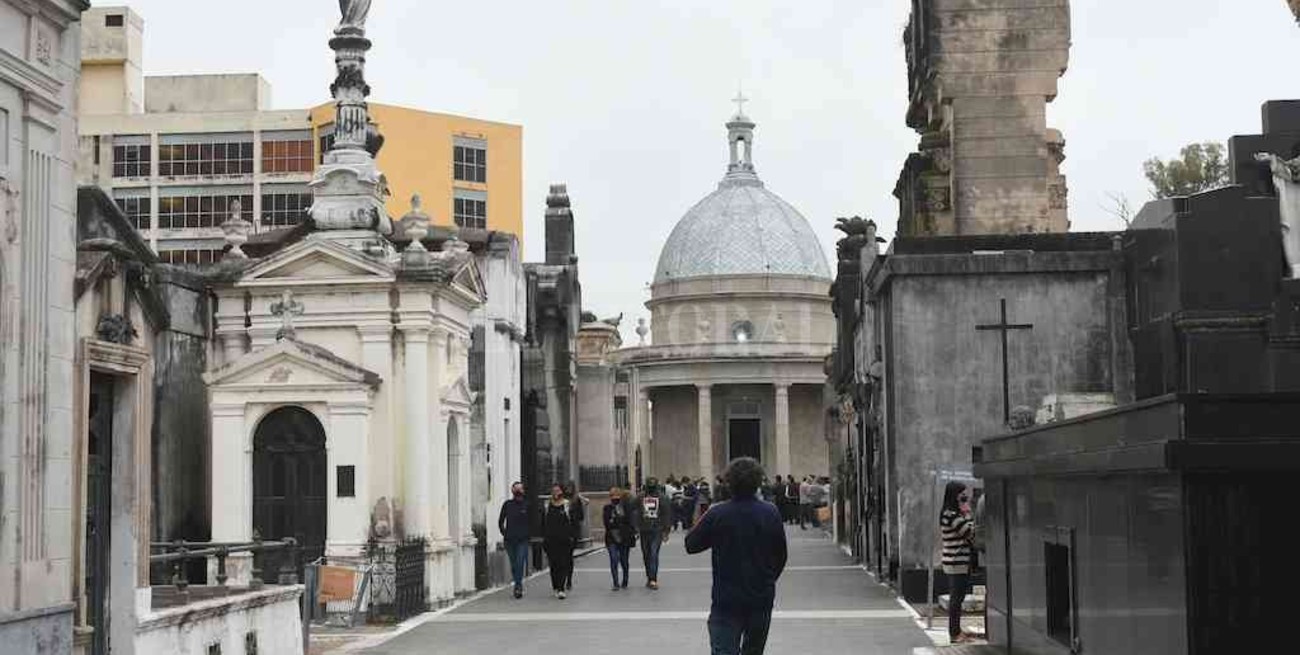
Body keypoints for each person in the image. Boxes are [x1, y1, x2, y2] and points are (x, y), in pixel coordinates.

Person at [686, 458, 788, 655]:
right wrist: (767, 579)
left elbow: (691, 545)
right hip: (761, 598)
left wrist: (700, 519)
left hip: (727, 599)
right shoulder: (771, 512)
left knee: (723, 650)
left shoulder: (718, 514)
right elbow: (781, 555)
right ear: (758, 482)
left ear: (729, 483)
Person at [940, 481, 976, 644]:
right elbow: (969, 532)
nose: (966, 497)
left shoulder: (953, 513)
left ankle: (957, 631)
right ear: (955, 495)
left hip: (959, 561)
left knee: (958, 598)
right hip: (956, 562)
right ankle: (954, 633)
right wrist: (968, 513)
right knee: (956, 599)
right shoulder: (951, 515)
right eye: (962, 494)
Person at [543, 484, 579, 599]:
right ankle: (555, 585)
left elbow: (573, 522)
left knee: (563, 563)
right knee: (553, 565)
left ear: (561, 492)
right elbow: (542, 523)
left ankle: (561, 588)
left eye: (557, 490)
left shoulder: (567, 505)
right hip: (550, 540)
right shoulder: (547, 505)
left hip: (564, 540)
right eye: (553, 491)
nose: (555, 493)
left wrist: (573, 537)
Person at [636, 477, 674, 589]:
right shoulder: (641, 497)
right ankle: (650, 576)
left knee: (653, 554)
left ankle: (653, 579)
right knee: (647, 555)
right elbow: (633, 509)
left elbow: (667, 514)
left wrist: (666, 531)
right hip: (644, 530)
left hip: (656, 530)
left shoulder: (662, 498)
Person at [498, 481, 530, 599]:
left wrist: (528, 535)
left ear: (523, 491)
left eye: (520, 489)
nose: (518, 491)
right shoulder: (507, 504)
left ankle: (518, 586)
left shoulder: (527, 505)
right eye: (515, 488)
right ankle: (517, 583)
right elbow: (501, 521)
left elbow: (531, 522)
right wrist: (504, 532)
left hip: (522, 540)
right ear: (512, 491)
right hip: (509, 540)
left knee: (520, 562)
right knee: (514, 565)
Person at [603, 486, 636, 590]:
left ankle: (625, 580)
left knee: (624, 560)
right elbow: (606, 523)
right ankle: (615, 582)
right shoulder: (607, 508)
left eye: (617, 495)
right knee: (614, 559)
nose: (615, 498)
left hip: (624, 537)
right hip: (611, 536)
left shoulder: (626, 507)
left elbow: (630, 521)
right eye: (612, 496)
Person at [562, 483, 585, 591]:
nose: (569, 490)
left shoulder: (577, 500)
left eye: (570, 488)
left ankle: (569, 580)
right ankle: (562, 578)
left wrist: (573, 516)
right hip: (562, 531)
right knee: (563, 557)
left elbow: (581, 516)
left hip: (573, 531)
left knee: (569, 556)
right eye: (567, 488)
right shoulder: (561, 500)